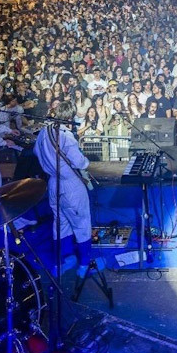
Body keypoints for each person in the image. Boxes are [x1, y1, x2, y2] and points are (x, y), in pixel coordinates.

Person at [35, 100, 102, 277]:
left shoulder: (44, 132)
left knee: (60, 223)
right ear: (70, 116)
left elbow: (36, 152)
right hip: (70, 184)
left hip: (53, 182)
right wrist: (86, 161)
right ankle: (84, 265)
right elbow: (79, 162)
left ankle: (62, 262)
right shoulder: (66, 136)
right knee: (81, 224)